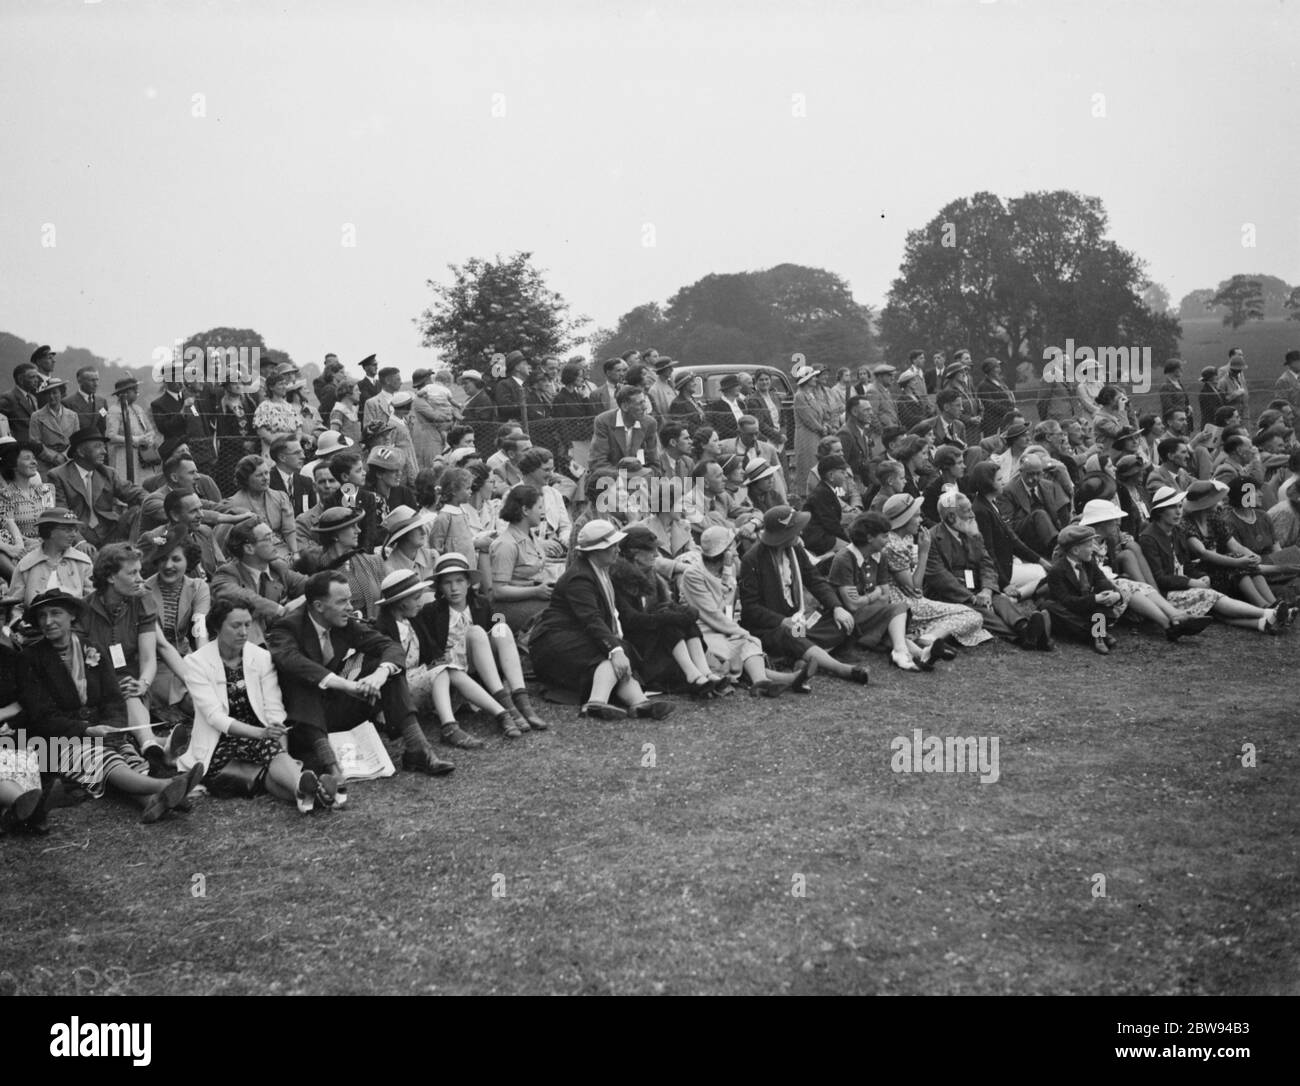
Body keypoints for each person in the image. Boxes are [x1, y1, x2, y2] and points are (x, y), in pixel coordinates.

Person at [268, 571, 456, 804]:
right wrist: (346, 684)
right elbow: (293, 662)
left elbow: (389, 646)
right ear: (318, 605)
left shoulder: (342, 621)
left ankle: (418, 748)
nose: (350, 607)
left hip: (336, 710)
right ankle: (332, 767)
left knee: (388, 667)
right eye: (342, 601)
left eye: (349, 599)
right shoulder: (286, 628)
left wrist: (380, 674)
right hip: (303, 723)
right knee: (305, 682)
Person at [17, 590, 203, 823]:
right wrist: (86, 730)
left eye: (55, 613)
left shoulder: (92, 648)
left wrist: (113, 728)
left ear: (72, 615)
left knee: (129, 757)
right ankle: (168, 785)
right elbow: (41, 716)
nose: (48, 621)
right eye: (42, 616)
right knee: (105, 760)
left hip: (102, 730)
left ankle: (152, 802)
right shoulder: (30, 659)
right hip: (58, 740)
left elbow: (113, 699)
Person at [181, 599, 336, 814]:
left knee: (267, 760)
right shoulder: (195, 662)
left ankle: (305, 793)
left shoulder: (261, 657)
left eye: (247, 624)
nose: (244, 632)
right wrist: (262, 733)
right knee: (265, 759)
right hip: (219, 745)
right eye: (236, 626)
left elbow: (274, 708)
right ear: (217, 627)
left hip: (262, 742)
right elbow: (214, 717)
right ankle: (310, 790)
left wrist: (277, 739)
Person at [374, 561, 543, 746]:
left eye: (460, 581)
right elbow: (431, 653)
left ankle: (520, 699)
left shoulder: (481, 603)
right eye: (447, 583)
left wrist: (499, 623)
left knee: (500, 628)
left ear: (469, 583)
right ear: (440, 587)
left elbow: (497, 618)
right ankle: (503, 708)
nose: (454, 588)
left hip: (476, 663)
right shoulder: (430, 612)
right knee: (475, 633)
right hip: (440, 666)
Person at [528, 520, 674, 719]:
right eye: (611, 546)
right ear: (596, 551)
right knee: (614, 653)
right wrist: (614, 650)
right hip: (555, 642)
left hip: (576, 636)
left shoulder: (600, 569)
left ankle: (639, 703)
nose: (617, 550)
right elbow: (591, 619)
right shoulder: (579, 578)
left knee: (620, 650)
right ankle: (596, 702)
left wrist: (617, 648)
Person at [737, 505, 869, 686]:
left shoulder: (795, 549)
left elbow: (814, 580)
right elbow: (750, 608)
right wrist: (782, 621)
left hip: (798, 623)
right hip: (772, 627)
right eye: (796, 530)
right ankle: (842, 669)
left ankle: (801, 656)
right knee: (791, 633)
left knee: (840, 619)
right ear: (783, 535)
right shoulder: (752, 559)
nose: (801, 534)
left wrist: (837, 607)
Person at [1140, 487, 1289, 632]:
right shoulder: (1150, 538)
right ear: (1160, 512)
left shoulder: (1176, 531)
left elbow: (1186, 565)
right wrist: (1191, 581)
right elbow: (1159, 578)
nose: (1179, 511)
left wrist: (1200, 577)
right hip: (1169, 593)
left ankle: (1263, 622)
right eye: (1173, 507)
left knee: (1217, 609)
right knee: (1213, 597)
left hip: (1188, 584)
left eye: (1179, 506)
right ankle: (1268, 612)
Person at [925, 491, 1051, 649]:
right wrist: (971, 597)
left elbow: (986, 564)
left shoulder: (973, 532)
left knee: (1000, 599)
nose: (972, 514)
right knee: (978, 610)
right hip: (949, 595)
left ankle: (1024, 627)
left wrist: (986, 590)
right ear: (951, 517)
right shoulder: (931, 538)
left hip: (977, 588)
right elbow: (940, 578)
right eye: (967, 511)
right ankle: (1022, 636)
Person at [1076, 498, 1212, 641]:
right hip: (1089, 589)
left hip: (1104, 581)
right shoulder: (1083, 542)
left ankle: (1174, 616)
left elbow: (1124, 543)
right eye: (1112, 520)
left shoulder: (1106, 539)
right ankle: (1169, 624)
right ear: (1101, 523)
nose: (1117, 523)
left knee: (1140, 586)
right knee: (1127, 586)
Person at [876, 493, 991, 649]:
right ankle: (929, 637)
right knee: (972, 615)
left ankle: (921, 635)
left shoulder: (905, 537)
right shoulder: (894, 545)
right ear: (904, 520)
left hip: (909, 600)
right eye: (916, 516)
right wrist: (924, 553)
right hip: (903, 604)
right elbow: (914, 588)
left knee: (967, 614)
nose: (921, 520)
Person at [1179, 479, 1277, 608]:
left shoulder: (1213, 519)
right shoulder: (1186, 524)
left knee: (1245, 562)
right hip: (1199, 572)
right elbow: (1202, 553)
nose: (1219, 503)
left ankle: (1274, 603)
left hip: (1216, 566)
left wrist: (1252, 556)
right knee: (1237, 563)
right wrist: (1238, 561)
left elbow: (1233, 544)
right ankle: (1264, 606)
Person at [211, 519, 308, 645]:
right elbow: (242, 598)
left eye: (274, 536)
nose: (276, 542)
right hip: (242, 644)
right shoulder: (227, 573)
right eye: (268, 538)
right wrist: (280, 610)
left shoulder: (278, 568)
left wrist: (301, 599)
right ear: (249, 548)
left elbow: (316, 586)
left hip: (279, 639)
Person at [49, 427, 146, 549]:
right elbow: (61, 513)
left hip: (110, 531)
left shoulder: (107, 473)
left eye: (104, 447)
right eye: (98, 446)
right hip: (81, 534)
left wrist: (156, 504)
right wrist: (79, 542)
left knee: (139, 510)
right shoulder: (57, 475)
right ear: (80, 452)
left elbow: (135, 492)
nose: (104, 451)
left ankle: (132, 553)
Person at [144, 533, 209, 712]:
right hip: (156, 663)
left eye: (176, 559)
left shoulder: (199, 587)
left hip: (186, 656)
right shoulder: (144, 591)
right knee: (194, 702)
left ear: (188, 561)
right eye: (162, 559)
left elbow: (200, 629)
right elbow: (159, 645)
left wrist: (204, 661)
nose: (168, 565)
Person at [1042, 524, 1124, 654]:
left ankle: (1097, 633)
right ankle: (1098, 634)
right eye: (1090, 546)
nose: (1093, 549)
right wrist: (1095, 599)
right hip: (1070, 612)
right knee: (1049, 607)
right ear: (1075, 551)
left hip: (1086, 609)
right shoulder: (1057, 570)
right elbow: (1067, 601)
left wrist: (1115, 595)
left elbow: (1103, 581)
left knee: (1102, 594)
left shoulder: (1089, 563)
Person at [488, 484, 554, 632]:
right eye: (539, 507)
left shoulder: (531, 536)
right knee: (557, 614)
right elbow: (499, 591)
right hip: (508, 608)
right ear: (525, 510)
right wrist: (536, 591)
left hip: (531, 598)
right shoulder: (505, 544)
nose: (543, 511)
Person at [222, 455, 298, 563]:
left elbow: (289, 531)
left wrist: (296, 554)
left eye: (267, 473)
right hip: (252, 556)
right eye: (259, 475)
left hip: (282, 551)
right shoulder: (233, 504)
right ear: (246, 479)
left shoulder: (280, 497)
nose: (266, 478)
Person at [0, 439, 56, 572]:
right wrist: (28, 543)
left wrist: (44, 542)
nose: (34, 462)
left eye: (34, 458)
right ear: (14, 464)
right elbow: (8, 526)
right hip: (21, 550)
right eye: (27, 458)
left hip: (48, 544)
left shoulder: (46, 490)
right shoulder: (5, 494)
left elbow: (52, 521)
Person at [105, 377, 160, 483]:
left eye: (136, 389)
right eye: (133, 390)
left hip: (144, 455)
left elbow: (150, 430)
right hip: (124, 455)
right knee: (128, 482)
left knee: (146, 483)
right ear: (123, 393)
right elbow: (111, 436)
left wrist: (149, 439)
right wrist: (135, 439)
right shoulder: (114, 411)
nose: (136, 392)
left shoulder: (138, 408)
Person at [792, 366, 834, 501]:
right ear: (807, 379)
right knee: (807, 463)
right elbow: (808, 419)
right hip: (807, 436)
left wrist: (825, 426)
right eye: (813, 377)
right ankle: (805, 494)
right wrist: (822, 429)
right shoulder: (799, 396)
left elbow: (820, 415)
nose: (816, 379)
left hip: (817, 434)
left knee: (816, 462)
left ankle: (817, 492)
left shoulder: (811, 394)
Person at [212, 377, 260, 494]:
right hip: (231, 453)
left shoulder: (249, 403)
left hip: (251, 449)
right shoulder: (221, 407)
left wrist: (253, 442)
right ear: (227, 387)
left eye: (240, 383)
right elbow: (223, 434)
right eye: (234, 383)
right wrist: (242, 444)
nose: (239, 386)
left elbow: (255, 424)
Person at [803, 454, 851, 555]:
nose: (846, 475)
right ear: (831, 476)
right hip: (818, 538)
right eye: (842, 472)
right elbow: (831, 524)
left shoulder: (826, 490)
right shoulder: (822, 494)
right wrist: (849, 542)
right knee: (851, 552)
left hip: (824, 535)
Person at [253, 365, 302, 457]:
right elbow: (261, 431)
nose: (284, 387)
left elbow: (298, 428)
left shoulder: (290, 407)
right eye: (280, 384)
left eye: (285, 384)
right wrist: (278, 444)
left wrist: (295, 443)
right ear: (271, 387)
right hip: (273, 451)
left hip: (291, 450)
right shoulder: (264, 407)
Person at [29, 378, 79, 469]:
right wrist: (54, 457)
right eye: (48, 393)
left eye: (55, 393)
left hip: (67, 461)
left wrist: (64, 456)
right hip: (45, 463)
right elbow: (35, 442)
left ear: (62, 394)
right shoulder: (36, 416)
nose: (51, 396)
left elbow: (76, 440)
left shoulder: (73, 415)